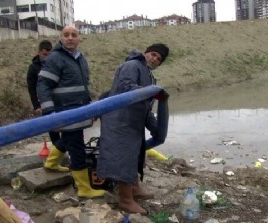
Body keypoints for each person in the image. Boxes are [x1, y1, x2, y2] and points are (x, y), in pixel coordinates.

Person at [97, 43, 170, 214]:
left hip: (133, 122)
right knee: (126, 160)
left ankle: (135, 189)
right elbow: (126, 88)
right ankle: (125, 200)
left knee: (137, 156)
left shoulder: (150, 77)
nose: (154, 59)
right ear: (145, 53)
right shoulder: (132, 65)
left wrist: (155, 127)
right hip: (120, 120)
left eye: (159, 59)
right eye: (153, 54)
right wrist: (152, 92)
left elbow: (146, 108)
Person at [37, 25, 104, 199]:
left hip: (78, 110)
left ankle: (51, 164)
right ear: (60, 38)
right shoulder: (55, 58)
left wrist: (89, 107)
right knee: (77, 148)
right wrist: (50, 112)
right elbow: (43, 84)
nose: (70, 38)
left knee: (68, 139)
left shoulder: (80, 58)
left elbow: (82, 86)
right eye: (66, 35)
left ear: (79, 38)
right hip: (65, 112)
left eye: (74, 35)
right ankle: (84, 188)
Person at [26, 40, 69, 173]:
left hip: (60, 102)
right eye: (44, 54)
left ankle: (59, 156)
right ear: (39, 53)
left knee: (67, 131)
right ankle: (56, 160)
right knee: (54, 131)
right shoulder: (34, 68)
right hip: (45, 104)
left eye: (49, 54)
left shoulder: (55, 65)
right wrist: (36, 105)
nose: (46, 57)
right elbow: (32, 88)